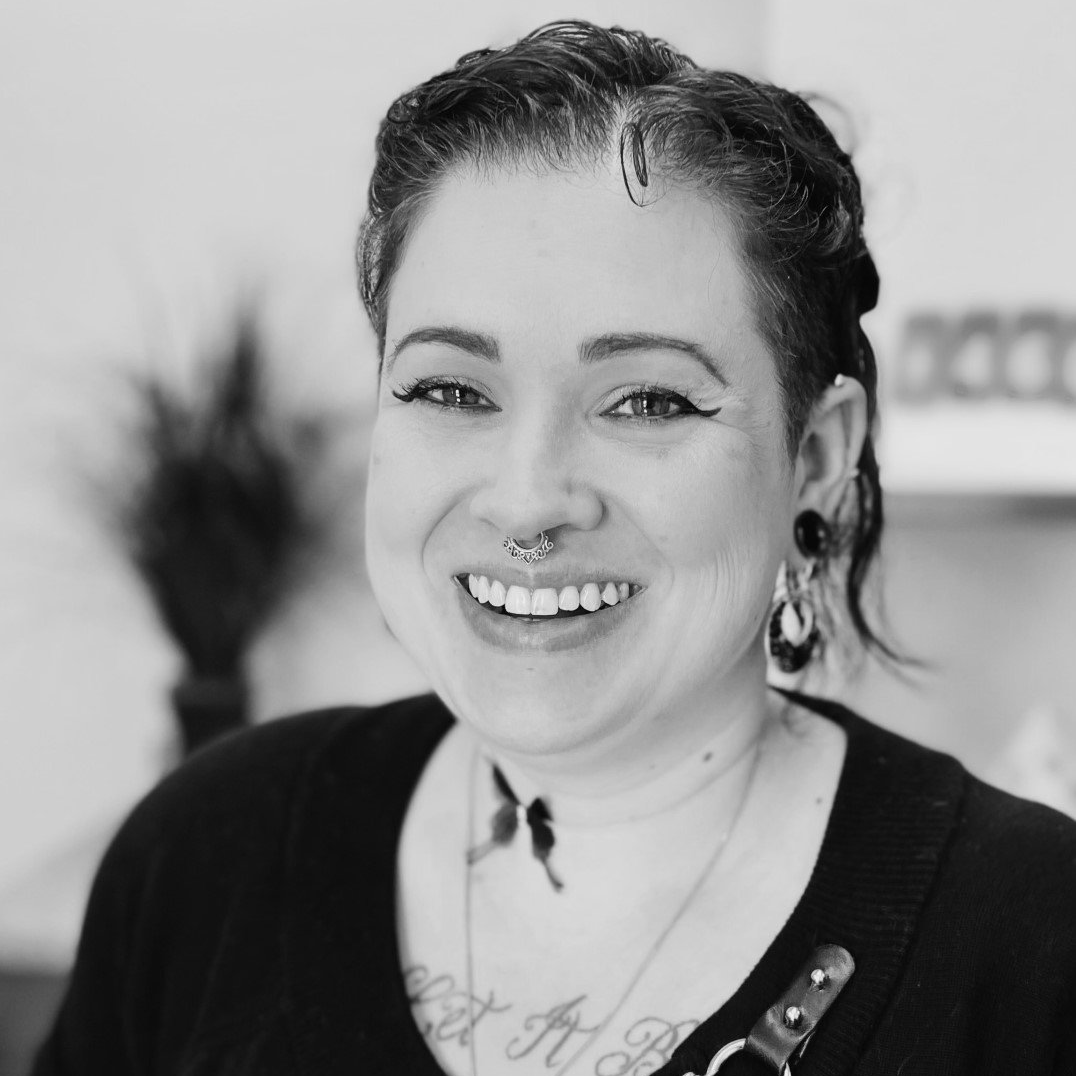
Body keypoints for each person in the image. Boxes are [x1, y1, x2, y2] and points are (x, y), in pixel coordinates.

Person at [33, 20, 1076, 1076]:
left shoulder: (1029, 943)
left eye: (646, 400)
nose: (528, 498)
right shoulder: (204, 858)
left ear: (813, 454)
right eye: (450, 388)